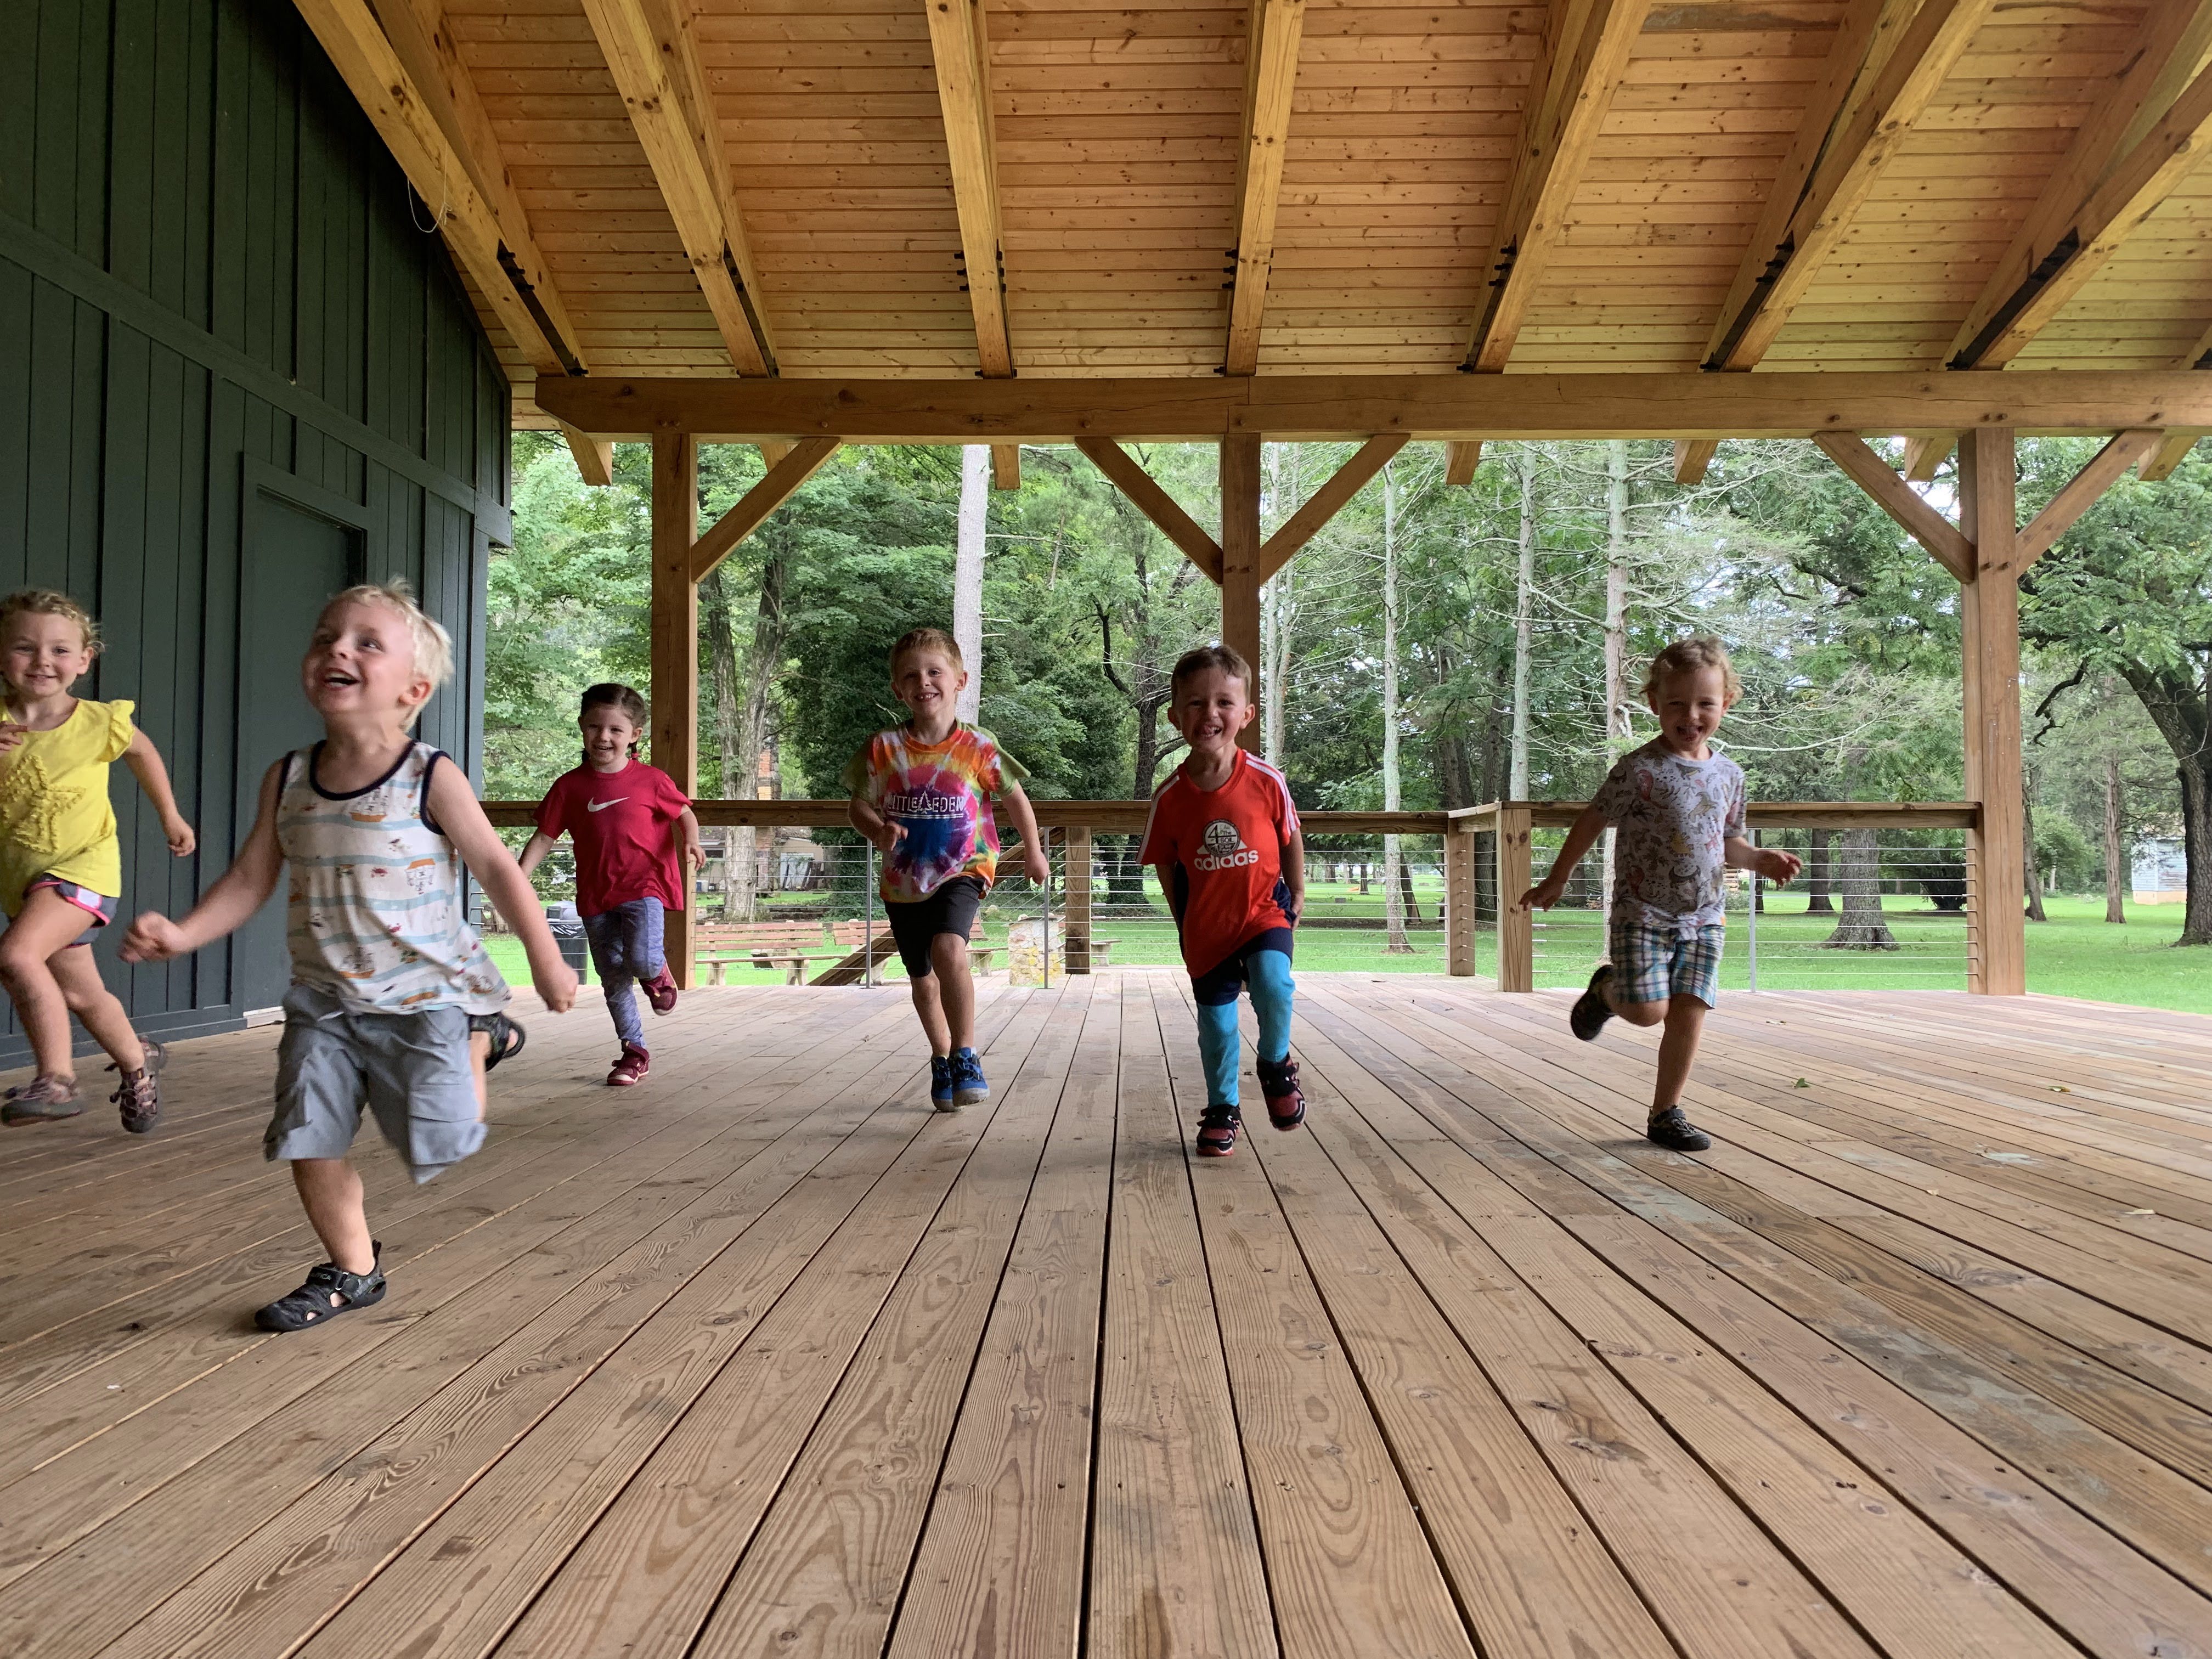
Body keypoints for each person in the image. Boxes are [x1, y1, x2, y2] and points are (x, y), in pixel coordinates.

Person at [123, 582, 577, 1332]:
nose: (337, 649)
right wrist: (183, 934)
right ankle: (352, 1269)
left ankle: (480, 1031)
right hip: (325, 999)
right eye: (326, 637)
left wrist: (546, 961)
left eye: (367, 643)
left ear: (413, 689)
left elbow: (498, 868)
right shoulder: (289, 778)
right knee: (310, 1136)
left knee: (447, 1138)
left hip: (427, 994)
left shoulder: (430, 775)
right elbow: (248, 878)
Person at [1519, 635, 1801, 1150]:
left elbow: (1729, 842)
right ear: (1654, 705)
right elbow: (1591, 821)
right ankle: (1607, 991)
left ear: (1726, 704)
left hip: (1706, 916)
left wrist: (1758, 859)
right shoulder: (1639, 770)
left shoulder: (1730, 775)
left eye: (1704, 704)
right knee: (1650, 1012)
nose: (1690, 715)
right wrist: (1558, 877)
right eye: (1676, 703)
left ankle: (1665, 1112)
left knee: (1690, 1009)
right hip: (1642, 913)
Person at [0, 589, 196, 1133]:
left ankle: (57, 1079)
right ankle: (139, 1066)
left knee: (17, 956)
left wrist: (170, 816)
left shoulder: (96, 722)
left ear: (85, 661)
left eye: (61, 650)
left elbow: (142, 751)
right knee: (82, 994)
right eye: (24, 647)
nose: (43, 661)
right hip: (23, 881)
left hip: (83, 870)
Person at [844, 628, 1046, 1110]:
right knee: (922, 979)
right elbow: (857, 805)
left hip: (964, 868)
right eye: (912, 675)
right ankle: (941, 1058)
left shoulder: (978, 746)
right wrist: (878, 832)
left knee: (949, 948)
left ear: (960, 680)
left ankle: (966, 1053)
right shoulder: (883, 748)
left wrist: (1034, 851)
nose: (925, 681)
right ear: (898, 689)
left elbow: (1014, 798)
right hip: (903, 881)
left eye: (936, 671)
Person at [1139, 644, 1305, 1158]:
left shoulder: (1266, 781)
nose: (1209, 713)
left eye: (1223, 703)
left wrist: (1297, 891)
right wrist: (1180, 916)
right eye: (1194, 703)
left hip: (1264, 912)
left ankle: (1275, 1065)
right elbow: (1164, 860)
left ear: (1246, 714)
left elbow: (1291, 834)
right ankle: (1222, 1107)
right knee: (1217, 1024)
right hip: (1206, 927)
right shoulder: (1169, 797)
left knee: (1275, 986)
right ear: (1174, 716)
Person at [516, 684, 703, 1087]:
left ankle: (657, 975)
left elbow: (683, 813)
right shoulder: (569, 787)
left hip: (644, 886)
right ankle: (633, 1052)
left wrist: (691, 838)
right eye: (595, 727)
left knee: (641, 958)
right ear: (583, 728)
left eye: (616, 730)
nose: (604, 737)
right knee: (613, 977)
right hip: (595, 894)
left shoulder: (652, 780)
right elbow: (545, 836)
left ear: (635, 735)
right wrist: (520, 874)